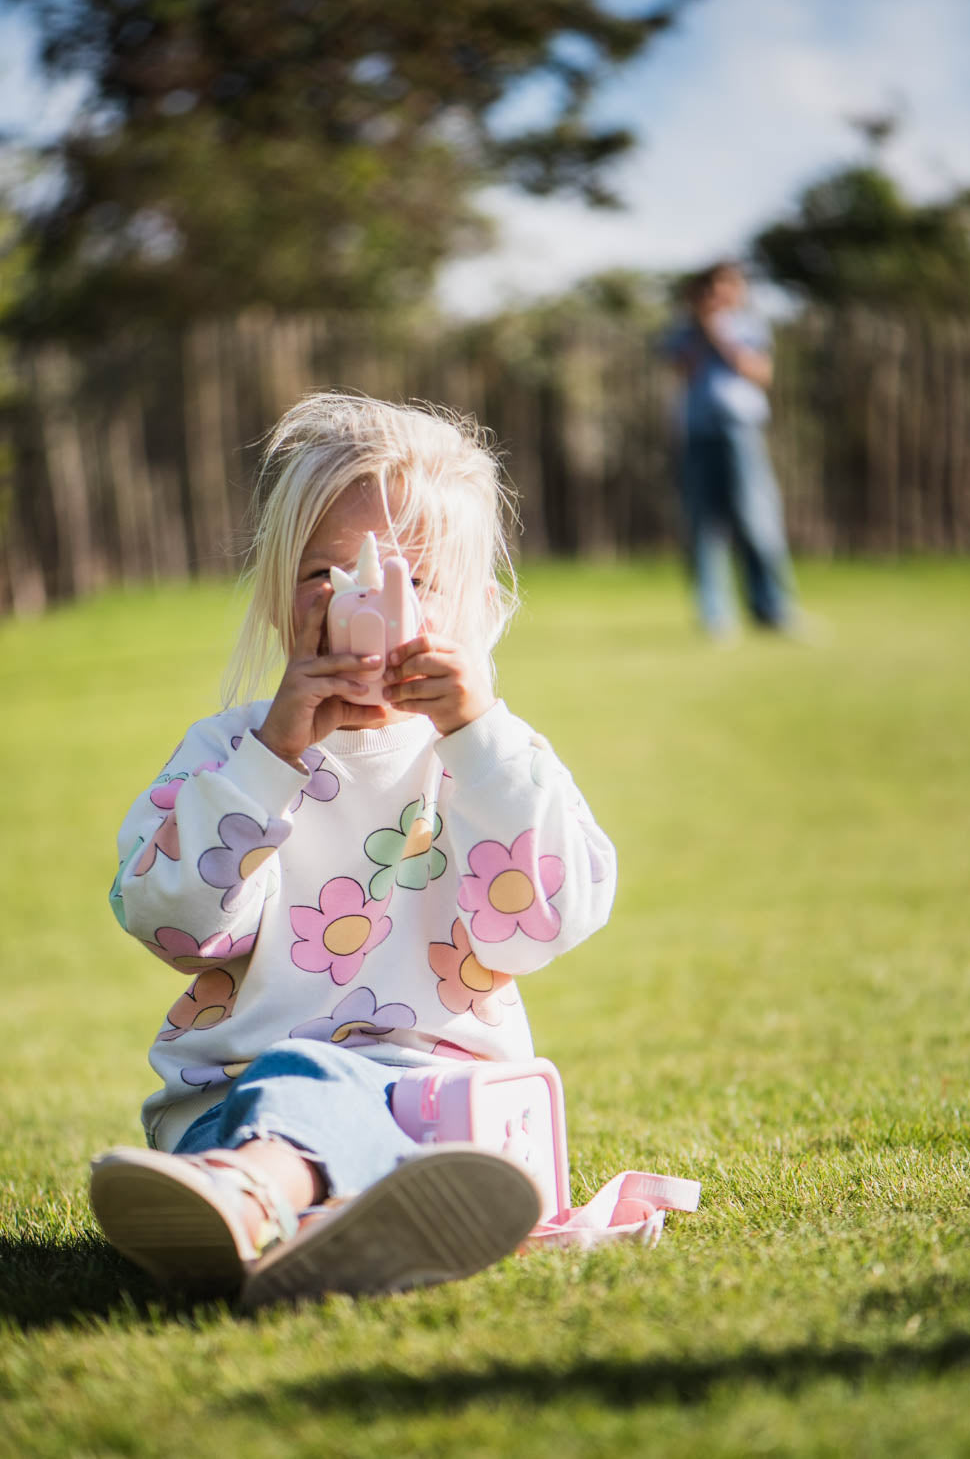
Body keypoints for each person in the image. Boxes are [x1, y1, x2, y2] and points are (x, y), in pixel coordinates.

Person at [92, 393, 616, 1306]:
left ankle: (282, 1211)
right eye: (330, 578)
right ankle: (283, 1198)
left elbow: (538, 926)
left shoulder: (500, 761)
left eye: (414, 581)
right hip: (234, 1107)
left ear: (483, 616)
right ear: (278, 602)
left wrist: (475, 734)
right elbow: (173, 926)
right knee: (307, 1079)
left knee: (407, 1123)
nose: (372, 608)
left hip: (449, 1115)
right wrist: (271, 762)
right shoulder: (231, 754)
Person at [660, 260, 796, 637]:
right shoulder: (684, 332)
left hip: (741, 430)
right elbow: (680, 367)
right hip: (697, 433)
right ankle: (714, 616)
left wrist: (721, 335)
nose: (719, 294)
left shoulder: (749, 327)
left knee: (758, 519)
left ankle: (772, 609)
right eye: (712, 287)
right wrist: (702, 332)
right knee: (702, 525)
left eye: (728, 286)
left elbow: (759, 373)